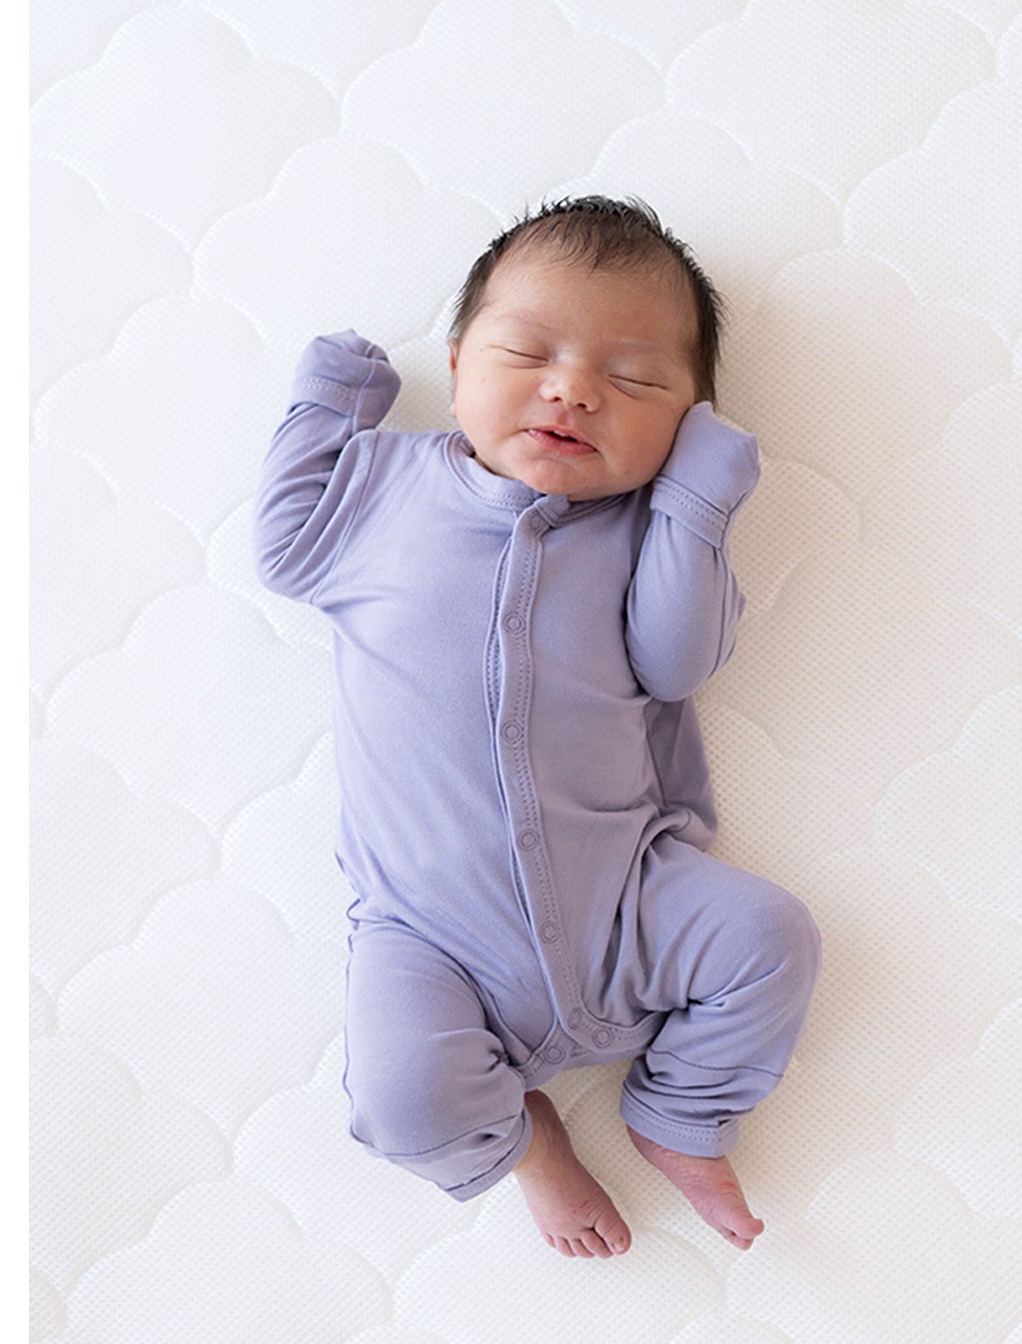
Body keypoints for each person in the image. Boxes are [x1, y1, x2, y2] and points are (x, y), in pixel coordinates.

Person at [253, 196, 820, 1258]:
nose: (573, 389)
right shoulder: (384, 488)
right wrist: (330, 402)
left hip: (625, 897)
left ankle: (679, 1114)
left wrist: (696, 501)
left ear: (686, 420)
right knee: (398, 1094)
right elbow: (285, 549)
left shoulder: (643, 529)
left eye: (635, 379)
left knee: (768, 936)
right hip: (430, 928)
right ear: (460, 358)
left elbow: (675, 659)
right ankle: (527, 1142)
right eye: (527, 351)